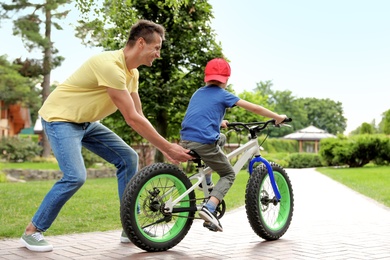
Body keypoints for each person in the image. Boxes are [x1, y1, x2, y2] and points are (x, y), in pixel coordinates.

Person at [20, 20, 193, 252]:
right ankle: (33, 231)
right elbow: (131, 118)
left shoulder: (133, 74)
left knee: (128, 158)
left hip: (87, 122)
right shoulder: (109, 65)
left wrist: (164, 146)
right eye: (157, 47)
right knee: (75, 176)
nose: (158, 54)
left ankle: (129, 227)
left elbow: (139, 115)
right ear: (141, 43)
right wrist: (167, 148)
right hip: (60, 119)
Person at [180, 58, 288, 232]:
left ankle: (206, 181)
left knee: (221, 138)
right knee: (229, 174)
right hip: (204, 143)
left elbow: (200, 114)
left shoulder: (198, 93)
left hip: (186, 139)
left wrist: (219, 121)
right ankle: (210, 208)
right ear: (226, 80)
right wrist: (277, 117)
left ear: (205, 78)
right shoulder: (223, 94)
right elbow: (255, 108)